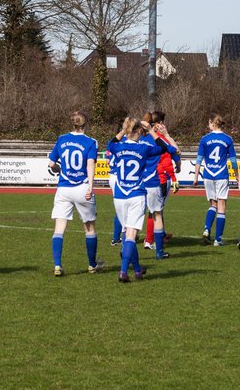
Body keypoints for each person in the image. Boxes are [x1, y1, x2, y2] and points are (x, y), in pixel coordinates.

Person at [107, 116, 176, 281]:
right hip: (136, 193)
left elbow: (110, 144)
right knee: (131, 234)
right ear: (139, 131)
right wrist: (152, 132)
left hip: (120, 194)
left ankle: (137, 269)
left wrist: (124, 129)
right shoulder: (143, 148)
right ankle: (123, 271)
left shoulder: (119, 147)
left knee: (126, 233)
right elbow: (167, 149)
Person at [47, 111, 102, 277]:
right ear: (86, 124)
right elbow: (90, 165)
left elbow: (51, 164)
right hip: (81, 188)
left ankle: (57, 265)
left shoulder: (62, 139)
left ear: (72, 124)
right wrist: (91, 187)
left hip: (64, 189)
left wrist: (59, 168)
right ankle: (92, 265)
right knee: (90, 228)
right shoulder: (91, 142)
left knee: (59, 229)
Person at [139, 112, 181, 261]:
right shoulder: (158, 141)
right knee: (156, 213)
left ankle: (127, 247)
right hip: (156, 180)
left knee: (135, 216)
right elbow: (175, 151)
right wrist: (167, 135)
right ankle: (153, 244)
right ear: (156, 124)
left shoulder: (138, 140)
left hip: (136, 183)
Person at [194, 114, 238, 246]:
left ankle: (207, 229)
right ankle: (218, 239)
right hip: (221, 174)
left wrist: (196, 177)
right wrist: (236, 175)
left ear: (211, 123)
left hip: (208, 174)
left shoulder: (204, 139)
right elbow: (233, 161)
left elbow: (199, 159)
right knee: (222, 206)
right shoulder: (227, 139)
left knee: (213, 204)